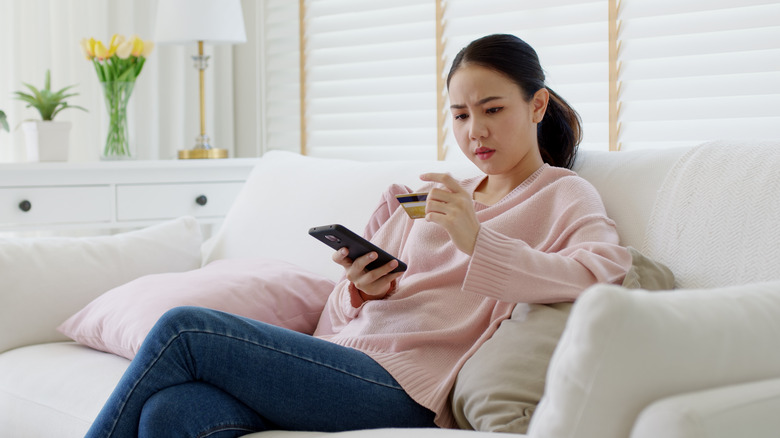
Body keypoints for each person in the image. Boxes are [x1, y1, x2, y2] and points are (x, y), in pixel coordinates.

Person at [85, 34, 632, 437]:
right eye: (460, 115)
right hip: (340, 362)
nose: (475, 131)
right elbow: (335, 321)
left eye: (493, 110)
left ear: (536, 106)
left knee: (184, 328)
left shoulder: (561, 194)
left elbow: (601, 274)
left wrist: (477, 240)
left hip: (408, 391)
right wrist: (361, 291)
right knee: (173, 412)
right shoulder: (424, 196)